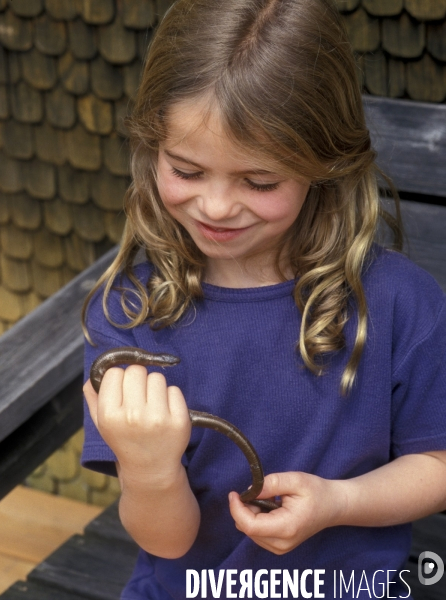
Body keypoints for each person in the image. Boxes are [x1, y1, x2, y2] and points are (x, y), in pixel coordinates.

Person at [81, 0, 446, 598]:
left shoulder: (403, 304)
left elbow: (437, 466)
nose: (218, 206)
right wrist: (149, 470)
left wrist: (338, 502)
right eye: (187, 170)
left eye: (259, 181)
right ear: (151, 148)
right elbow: (166, 543)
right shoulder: (131, 312)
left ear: (325, 164)